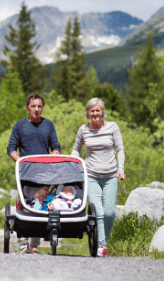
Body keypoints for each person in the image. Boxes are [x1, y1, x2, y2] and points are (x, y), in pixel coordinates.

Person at [71, 97, 125, 257]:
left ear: (102, 112)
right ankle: (101, 246)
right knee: (99, 212)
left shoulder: (113, 127)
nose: (95, 113)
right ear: (87, 113)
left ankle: (102, 242)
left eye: (98, 110)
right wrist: (74, 164)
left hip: (110, 176)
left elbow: (120, 150)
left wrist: (120, 169)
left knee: (109, 213)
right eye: (92, 110)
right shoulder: (83, 130)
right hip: (91, 175)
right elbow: (76, 150)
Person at [7, 93, 61, 253]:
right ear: (27, 107)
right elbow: (11, 148)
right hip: (25, 174)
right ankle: (23, 245)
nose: (36, 109)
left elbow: (56, 146)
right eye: (33, 106)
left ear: (42, 107)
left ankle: (34, 245)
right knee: (23, 207)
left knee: (40, 207)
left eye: (39, 106)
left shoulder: (48, 125)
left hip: (44, 174)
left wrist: (55, 155)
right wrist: (20, 162)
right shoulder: (19, 125)